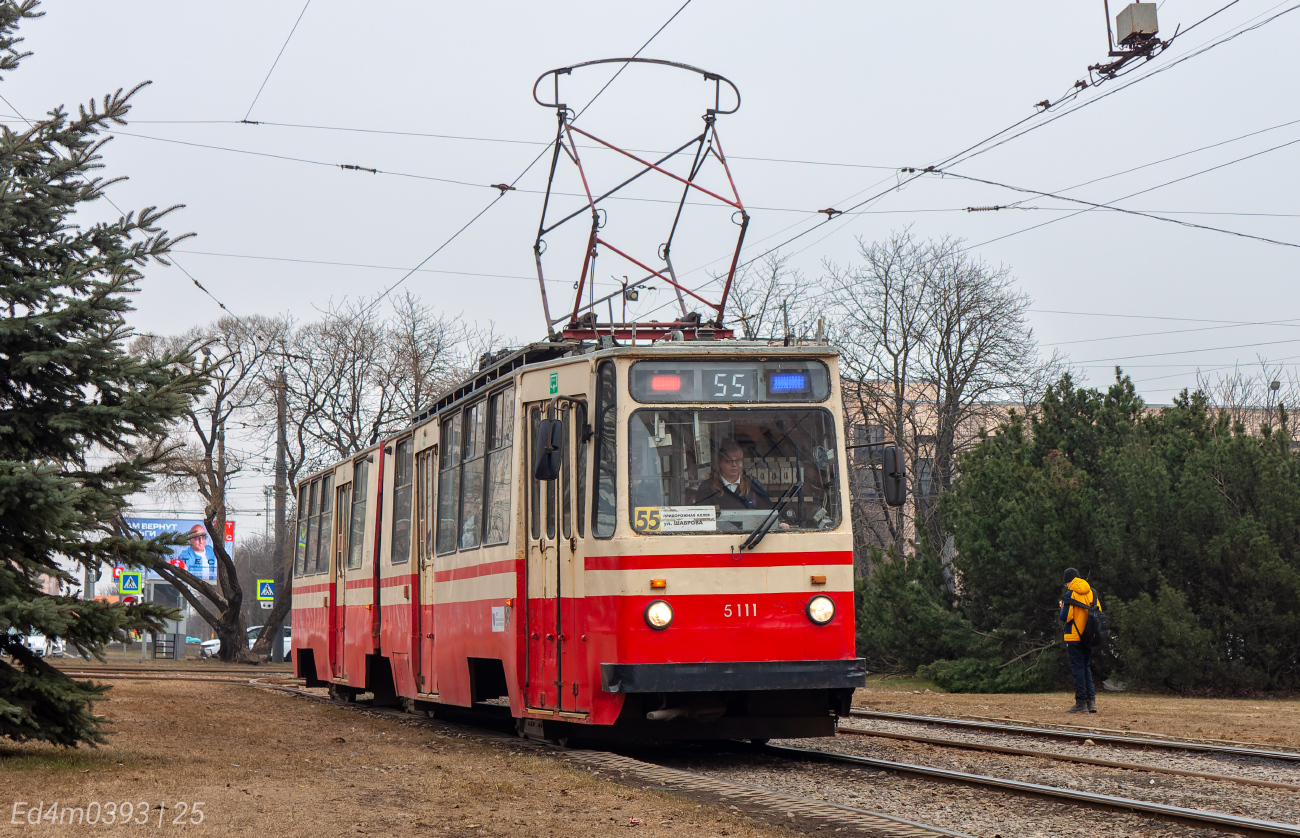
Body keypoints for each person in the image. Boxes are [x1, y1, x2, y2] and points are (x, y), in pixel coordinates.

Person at [1059, 567, 1099, 714]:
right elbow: (1098, 612)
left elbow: (1066, 617)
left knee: (1078, 669)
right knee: (1086, 667)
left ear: (1068, 582)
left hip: (1074, 636)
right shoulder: (1092, 592)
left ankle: (1080, 702)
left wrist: (1062, 608)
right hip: (1089, 636)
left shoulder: (1071, 593)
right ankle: (1091, 702)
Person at [691, 439, 774, 510]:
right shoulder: (707, 487)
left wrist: (780, 522)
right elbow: (702, 518)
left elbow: (769, 511)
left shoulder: (752, 483)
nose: (734, 464)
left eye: (738, 460)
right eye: (728, 461)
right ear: (720, 463)